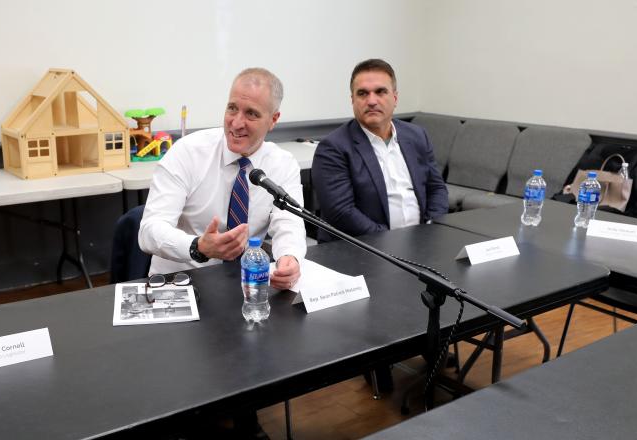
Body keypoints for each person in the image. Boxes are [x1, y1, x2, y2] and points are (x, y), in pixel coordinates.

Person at [138, 68, 305, 290]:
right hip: (180, 284)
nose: (236, 123)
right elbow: (149, 230)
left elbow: (289, 223)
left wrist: (289, 257)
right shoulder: (188, 152)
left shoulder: (283, 163)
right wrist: (198, 247)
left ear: (273, 120)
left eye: (251, 114)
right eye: (232, 109)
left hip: (242, 286)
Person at [312, 58, 448, 241]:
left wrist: (430, 228)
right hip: (362, 250)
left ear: (395, 98)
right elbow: (341, 212)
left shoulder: (416, 136)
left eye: (380, 92)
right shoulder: (333, 148)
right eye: (362, 93)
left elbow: (436, 188)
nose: (372, 101)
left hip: (421, 242)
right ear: (352, 100)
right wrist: (390, 240)